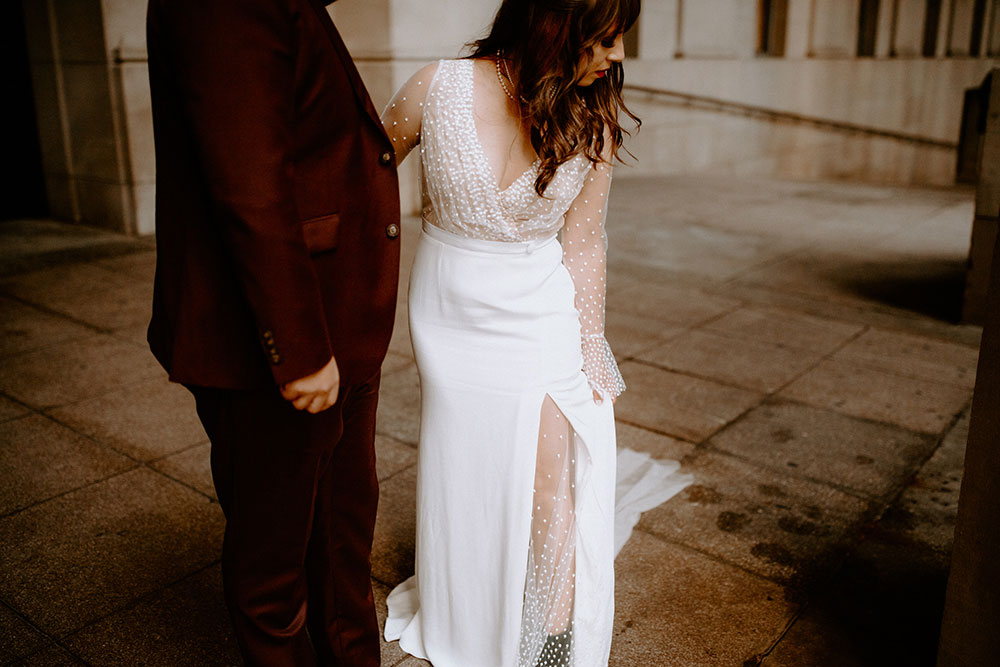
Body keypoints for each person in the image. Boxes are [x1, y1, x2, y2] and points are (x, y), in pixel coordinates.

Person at [380, 0, 688, 664]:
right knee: (469, 458)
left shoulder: (594, 119)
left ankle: (547, 643)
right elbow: (368, 173)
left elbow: (582, 244)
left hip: (538, 305)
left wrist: (587, 344)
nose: (616, 57)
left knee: (556, 474)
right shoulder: (438, 87)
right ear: (557, 24)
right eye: (604, 39)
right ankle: (465, 599)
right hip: (450, 313)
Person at [145, 1, 400, 664]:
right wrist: (300, 348)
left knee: (341, 536)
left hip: (336, 323)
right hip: (274, 341)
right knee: (274, 576)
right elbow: (249, 180)